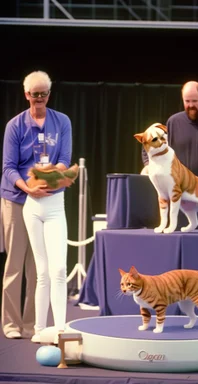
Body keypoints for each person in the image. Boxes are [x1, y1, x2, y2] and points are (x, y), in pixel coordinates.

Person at [1, 70, 73, 344]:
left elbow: (64, 158)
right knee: (15, 263)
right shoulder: (15, 126)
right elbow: (8, 168)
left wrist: (55, 177)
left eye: (43, 94)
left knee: (39, 268)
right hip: (17, 197)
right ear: (26, 95)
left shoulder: (61, 121)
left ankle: (34, 324)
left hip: (48, 196)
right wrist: (28, 187)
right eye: (34, 94)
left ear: (49, 95)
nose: (39, 98)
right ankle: (10, 323)